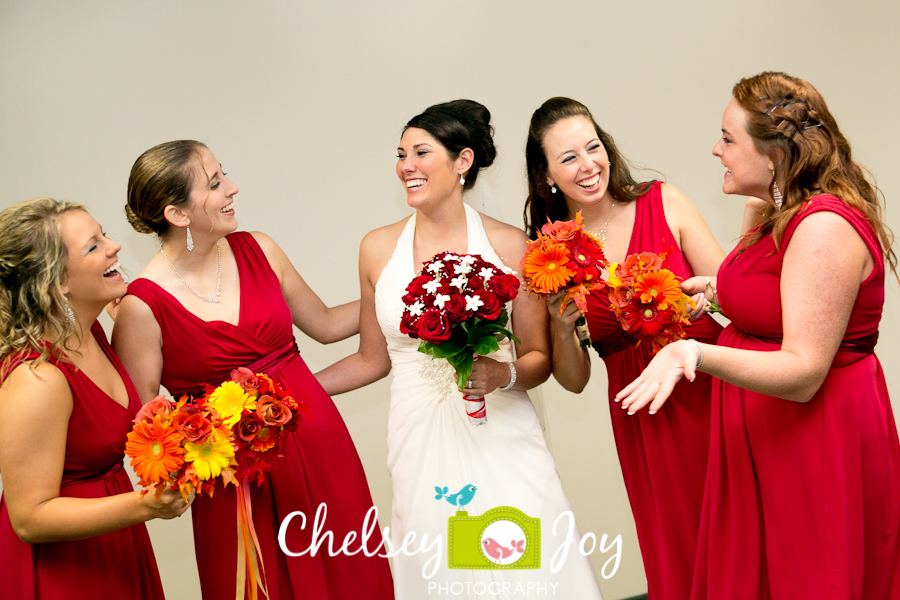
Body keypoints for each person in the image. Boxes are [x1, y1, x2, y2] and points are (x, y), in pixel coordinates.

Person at [619, 71, 900, 599]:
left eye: (728, 139)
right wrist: (714, 292)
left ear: (772, 154)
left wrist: (692, 352)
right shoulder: (771, 211)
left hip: (815, 439)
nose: (715, 150)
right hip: (766, 440)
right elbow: (779, 303)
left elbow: (803, 372)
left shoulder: (822, 227)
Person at [316, 100, 603, 599]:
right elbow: (372, 358)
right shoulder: (375, 248)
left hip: (501, 435)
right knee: (442, 570)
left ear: (463, 161)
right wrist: (294, 391)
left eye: (421, 152)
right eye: (401, 154)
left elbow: (537, 357)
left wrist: (501, 374)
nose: (407, 165)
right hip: (418, 437)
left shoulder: (512, 246)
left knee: (519, 565)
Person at [111, 141, 394, 600]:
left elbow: (324, 325)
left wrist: (407, 292)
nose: (233, 188)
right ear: (178, 214)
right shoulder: (141, 307)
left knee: (353, 580)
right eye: (216, 182)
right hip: (237, 483)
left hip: (322, 449)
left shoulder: (259, 249)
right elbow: (147, 429)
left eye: (226, 175)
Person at [523, 97, 725, 599]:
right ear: (547, 174)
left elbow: (730, 293)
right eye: (568, 157)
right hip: (645, 415)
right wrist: (560, 325)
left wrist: (692, 304)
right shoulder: (550, 256)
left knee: (739, 522)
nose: (588, 164)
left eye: (593, 147)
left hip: (712, 383)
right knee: (682, 543)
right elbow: (573, 381)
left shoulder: (665, 200)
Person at [0, 197, 189, 600]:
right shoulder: (38, 379)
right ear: (57, 282)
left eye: (103, 233)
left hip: (113, 542)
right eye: (93, 245)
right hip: (65, 570)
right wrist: (145, 506)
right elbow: (29, 518)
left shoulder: (92, 334)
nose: (114, 246)